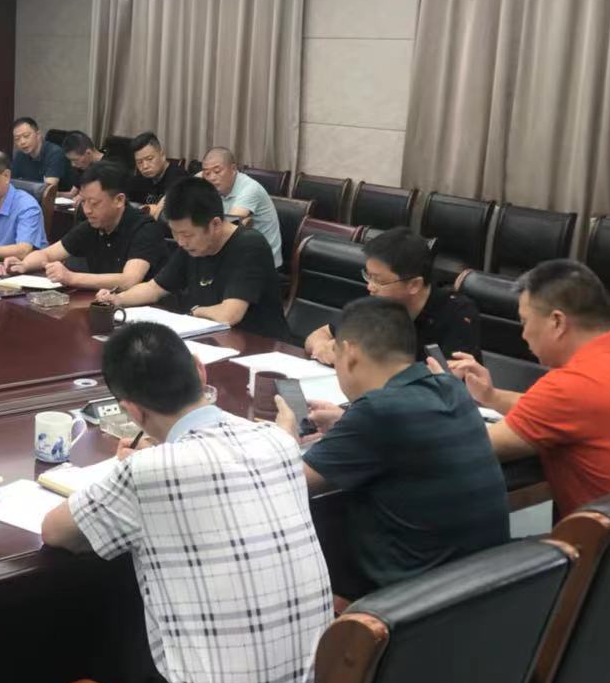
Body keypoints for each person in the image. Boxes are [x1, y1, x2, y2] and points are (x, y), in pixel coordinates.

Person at [41, 322, 332, 683]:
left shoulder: (147, 471)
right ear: (200, 370)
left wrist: (134, 468)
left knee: (113, 615)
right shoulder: (278, 441)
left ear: (131, 411)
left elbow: (55, 532)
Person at [274, 297, 508, 596]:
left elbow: (290, 481)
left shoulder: (377, 411)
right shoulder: (450, 387)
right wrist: (347, 422)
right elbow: (405, 435)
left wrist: (284, 438)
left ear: (349, 352)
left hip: (412, 596)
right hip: (483, 584)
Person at [436, 260, 610, 517]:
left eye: (525, 322)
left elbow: (467, 448)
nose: (523, 334)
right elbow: (562, 412)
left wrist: (435, 399)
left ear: (557, 322)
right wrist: (491, 397)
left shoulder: (570, 386)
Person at [97, 177, 290, 339]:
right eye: (175, 233)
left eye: (187, 234)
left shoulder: (250, 245)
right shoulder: (193, 245)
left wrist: (195, 311)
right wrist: (118, 299)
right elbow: (154, 288)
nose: (180, 242)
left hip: (261, 349)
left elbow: (229, 315)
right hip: (211, 341)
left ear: (215, 225)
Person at [305, 227, 481, 367]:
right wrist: (321, 347)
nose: (370, 286)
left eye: (379, 280)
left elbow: (452, 376)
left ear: (414, 285)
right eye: (368, 276)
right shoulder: (375, 300)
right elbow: (319, 334)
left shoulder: (457, 313)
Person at [2, 163, 167, 291]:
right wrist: (23, 265)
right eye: (84, 201)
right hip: (104, 304)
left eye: (94, 203)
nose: (87, 210)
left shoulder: (145, 229)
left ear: (119, 200)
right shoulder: (93, 225)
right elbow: (47, 254)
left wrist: (71, 278)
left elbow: (129, 280)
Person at [198, 147, 282, 267]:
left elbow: (230, 227)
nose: (211, 177)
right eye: (207, 173)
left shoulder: (250, 189)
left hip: (262, 262)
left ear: (233, 169)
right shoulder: (209, 182)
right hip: (235, 252)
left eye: (217, 171)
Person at [131, 132, 187, 219]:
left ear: (162, 155)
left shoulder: (179, 178)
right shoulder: (139, 179)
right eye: (139, 162)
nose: (145, 166)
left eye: (149, 159)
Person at [9, 116, 70, 187]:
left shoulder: (55, 153)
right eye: (17, 139)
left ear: (38, 135)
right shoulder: (20, 155)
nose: (22, 142)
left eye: (26, 136)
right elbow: (10, 183)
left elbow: (48, 190)